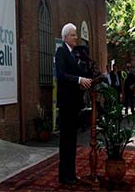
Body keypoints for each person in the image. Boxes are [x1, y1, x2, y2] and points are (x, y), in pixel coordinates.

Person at [55, 23, 92, 185]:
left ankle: (71, 173)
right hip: (66, 104)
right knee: (66, 142)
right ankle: (64, 176)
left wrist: (91, 75)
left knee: (72, 141)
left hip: (74, 104)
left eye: (76, 35)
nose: (76, 38)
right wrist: (79, 80)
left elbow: (80, 73)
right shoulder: (61, 52)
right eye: (73, 35)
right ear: (66, 37)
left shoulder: (73, 54)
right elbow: (62, 75)